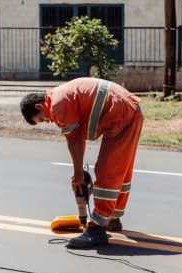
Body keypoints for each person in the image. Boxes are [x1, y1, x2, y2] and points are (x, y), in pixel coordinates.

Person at [20, 77, 143, 248]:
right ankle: (112, 219)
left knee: (107, 171)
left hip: (121, 116)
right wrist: (78, 172)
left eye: (41, 119)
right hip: (129, 113)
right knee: (120, 171)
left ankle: (97, 229)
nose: (47, 122)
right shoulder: (61, 95)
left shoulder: (57, 104)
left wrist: (78, 174)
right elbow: (77, 138)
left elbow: (74, 141)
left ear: (39, 106)